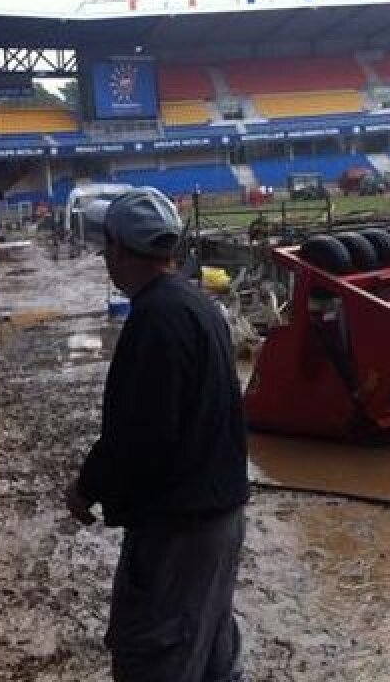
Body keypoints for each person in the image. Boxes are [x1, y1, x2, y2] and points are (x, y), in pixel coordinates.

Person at [66, 187, 249, 682]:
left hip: (178, 530)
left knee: (157, 652)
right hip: (220, 515)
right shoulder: (199, 305)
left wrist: (86, 488)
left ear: (122, 251)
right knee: (211, 647)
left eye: (108, 248)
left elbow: (139, 436)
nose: (106, 258)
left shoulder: (154, 320)